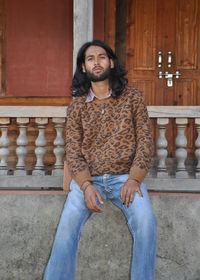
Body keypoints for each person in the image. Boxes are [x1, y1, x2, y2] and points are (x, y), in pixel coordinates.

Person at [43, 40, 157, 280]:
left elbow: (145, 140)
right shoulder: (77, 107)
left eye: (102, 56)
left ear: (111, 62)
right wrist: (85, 185)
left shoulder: (133, 97)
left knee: (146, 223)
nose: (97, 62)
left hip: (125, 178)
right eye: (90, 58)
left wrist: (135, 179)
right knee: (66, 230)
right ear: (83, 67)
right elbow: (73, 150)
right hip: (89, 181)